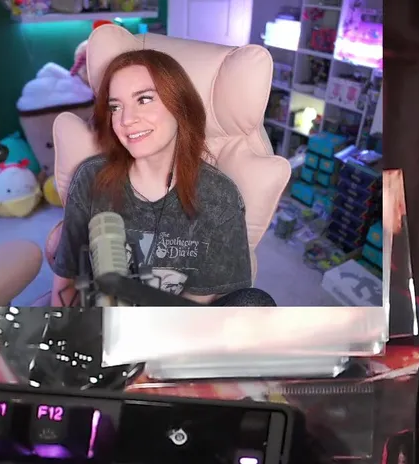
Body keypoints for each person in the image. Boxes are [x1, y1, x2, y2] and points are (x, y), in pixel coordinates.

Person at [49, 49, 261, 306]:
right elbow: (66, 283)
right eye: (115, 107)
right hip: (99, 320)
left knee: (254, 302)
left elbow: (201, 305)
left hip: (176, 323)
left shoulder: (218, 197)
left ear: (180, 105)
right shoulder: (91, 178)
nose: (126, 120)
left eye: (144, 99)